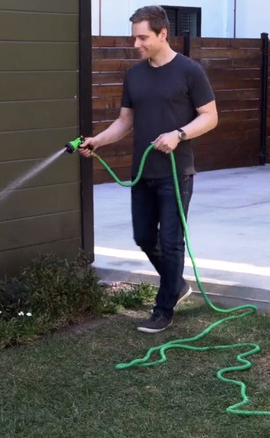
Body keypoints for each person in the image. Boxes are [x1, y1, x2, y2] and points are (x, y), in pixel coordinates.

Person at [80, 5, 218, 333]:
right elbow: (125, 122)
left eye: (143, 37)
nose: (137, 44)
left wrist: (179, 134)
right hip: (142, 172)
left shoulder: (189, 71)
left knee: (171, 241)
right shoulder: (134, 75)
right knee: (143, 237)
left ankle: (163, 307)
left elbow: (210, 116)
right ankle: (177, 285)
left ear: (162, 34)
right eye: (135, 38)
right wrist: (97, 140)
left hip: (175, 172)